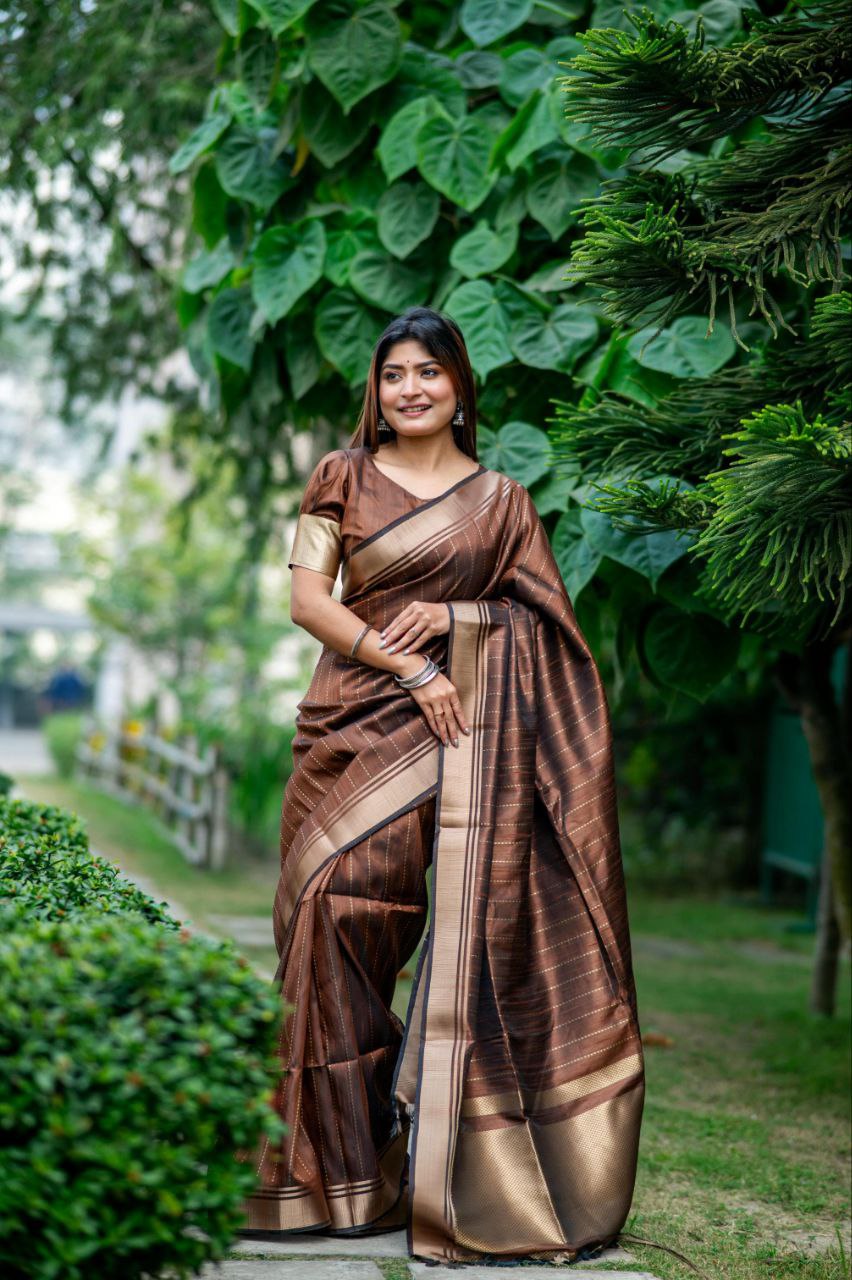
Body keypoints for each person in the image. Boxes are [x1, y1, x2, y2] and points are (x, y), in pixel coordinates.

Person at [239, 306, 645, 1265]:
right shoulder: (339, 476)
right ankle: (326, 1181)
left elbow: (546, 629)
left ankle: (422, 1166)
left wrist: (460, 618)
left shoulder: (502, 502)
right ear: (374, 392)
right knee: (326, 924)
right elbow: (307, 601)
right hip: (347, 733)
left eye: (429, 372)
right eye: (393, 375)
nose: (410, 389)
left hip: (463, 750)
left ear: (461, 387)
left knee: (429, 935)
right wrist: (413, 666)